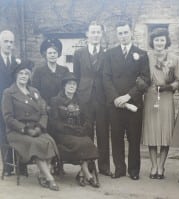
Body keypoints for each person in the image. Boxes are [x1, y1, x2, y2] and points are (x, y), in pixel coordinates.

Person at [1, 59, 59, 191]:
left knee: (49, 141)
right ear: (16, 75)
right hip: (17, 132)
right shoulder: (9, 93)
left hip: (36, 128)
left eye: (26, 74)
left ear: (29, 76)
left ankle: (42, 174)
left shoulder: (34, 91)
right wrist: (25, 129)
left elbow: (44, 112)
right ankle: (50, 178)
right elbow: (8, 118)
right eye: (21, 73)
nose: (23, 76)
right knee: (36, 144)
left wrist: (39, 127)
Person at [103, 20, 150, 180]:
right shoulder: (109, 54)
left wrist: (128, 96)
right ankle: (119, 168)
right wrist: (116, 98)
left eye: (125, 32)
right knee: (116, 137)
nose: (123, 36)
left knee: (134, 138)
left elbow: (145, 79)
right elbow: (106, 78)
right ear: (117, 35)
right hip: (115, 104)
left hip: (133, 103)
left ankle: (134, 170)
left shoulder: (141, 54)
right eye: (120, 33)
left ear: (131, 33)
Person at [141, 27, 179, 180]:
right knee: (152, 133)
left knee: (165, 133)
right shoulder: (147, 57)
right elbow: (142, 76)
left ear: (166, 41)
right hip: (152, 95)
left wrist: (169, 87)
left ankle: (161, 166)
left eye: (162, 40)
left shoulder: (175, 58)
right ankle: (153, 166)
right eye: (157, 40)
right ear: (153, 41)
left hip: (166, 96)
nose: (159, 43)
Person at [48, 72, 99, 188]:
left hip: (78, 133)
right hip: (62, 134)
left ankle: (82, 173)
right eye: (69, 84)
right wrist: (71, 130)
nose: (72, 86)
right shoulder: (55, 100)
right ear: (64, 86)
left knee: (88, 142)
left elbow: (88, 119)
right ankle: (86, 174)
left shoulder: (81, 101)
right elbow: (54, 123)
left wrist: (84, 129)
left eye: (74, 84)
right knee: (81, 143)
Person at [73, 21, 110, 176]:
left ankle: (104, 166)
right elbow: (76, 77)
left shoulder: (107, 53)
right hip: (84, 98)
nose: (95, 35)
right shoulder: (79, 54)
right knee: (87, 132)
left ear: (101, 34)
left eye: (98, 32)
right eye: (93, 32)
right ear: (87, 34)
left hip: (101, 98)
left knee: (102, 133)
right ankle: (88, 165)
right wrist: (76, 98)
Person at [32, 38, 69, 105]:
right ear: (45, 55)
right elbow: (35, 91)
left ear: (58, 54)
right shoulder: (39, 71)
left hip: (61, 106)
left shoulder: (64, 70)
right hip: (45, 107)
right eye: (50, 53)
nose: (52, 55)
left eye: (55, 53)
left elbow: (67, 89)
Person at [0, 30, 17, 175]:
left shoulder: (16, 61)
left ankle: (20, 166)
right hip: (0, 103)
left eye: (11, 42)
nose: (9, 45)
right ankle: (7, 166)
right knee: (3, 133)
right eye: (6, 41)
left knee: (16, 131)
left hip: (15, 104)